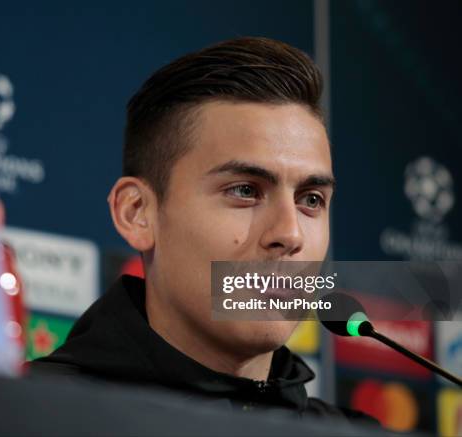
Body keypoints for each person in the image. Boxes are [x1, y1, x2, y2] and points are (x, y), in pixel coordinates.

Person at [32, 36, 375, 424]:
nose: (290, 234)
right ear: (137, 213)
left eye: (311, 199)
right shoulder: (22, 416)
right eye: (245, 191)